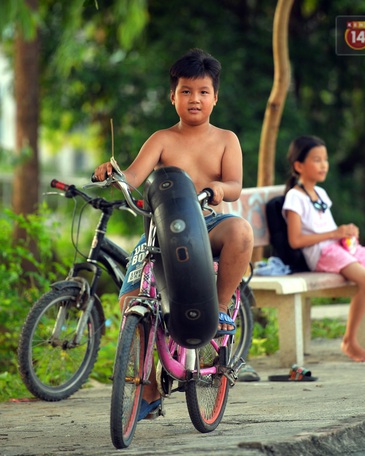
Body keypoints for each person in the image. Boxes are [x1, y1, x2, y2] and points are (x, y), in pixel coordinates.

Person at [93, 48, 254, 418]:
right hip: (160, 234)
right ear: (173, 96)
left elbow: (235, 185)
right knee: (130, 301)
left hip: (207, 224)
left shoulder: (227, 139)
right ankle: (148, 388)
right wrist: (113, 174)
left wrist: (218, 188)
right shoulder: (161, 139)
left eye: (202, 91)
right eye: (185, 91)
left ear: (215, 97)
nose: (194, 99)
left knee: (241, 232)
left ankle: (220, 307)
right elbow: (133, 178)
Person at [282, 135, 365, 363]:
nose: (324, 164)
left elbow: (330, 229)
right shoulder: (295, 197)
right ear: (298, 165)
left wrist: (347, 233)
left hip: (340, 249)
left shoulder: (321, 194)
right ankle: (349, 341)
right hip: (322, 254)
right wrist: (335, 233)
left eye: (325, 159)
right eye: (317, 160)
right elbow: (295, 240)